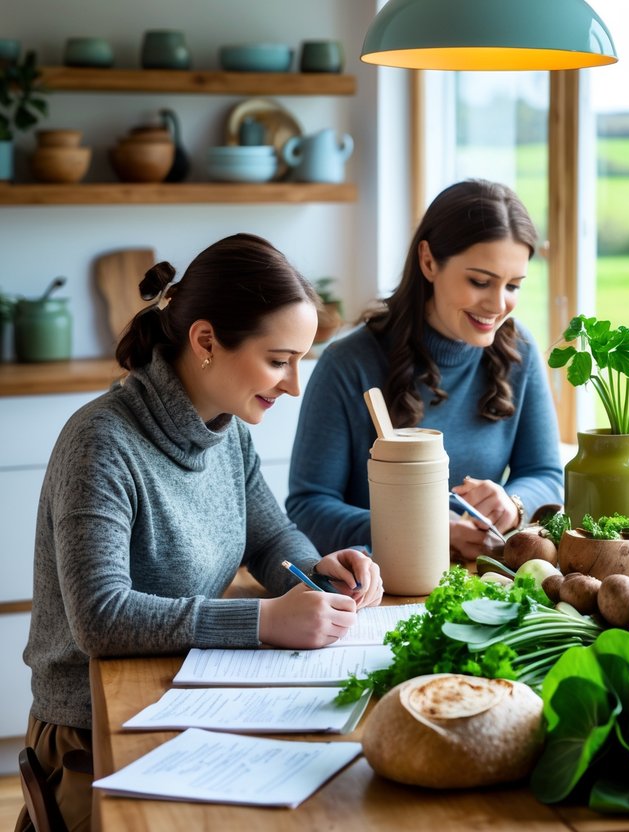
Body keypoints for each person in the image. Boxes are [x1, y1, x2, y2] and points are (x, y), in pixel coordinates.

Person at [19, 233, 383, 832]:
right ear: (206, 341)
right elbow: (100, 619)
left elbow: (270, 537)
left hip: (189, 693)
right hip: (89, 731)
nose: (293, 385)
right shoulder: (100, 443)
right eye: (279, 359)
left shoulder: (228, 429)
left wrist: (316, 568)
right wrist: (264, 622)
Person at [287, 179, 562, 561]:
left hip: (478, 582)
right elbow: (307, 508)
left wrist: (512, 504)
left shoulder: (521, 352)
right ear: (429, 261)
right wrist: (420, 529)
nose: (498, 304)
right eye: (480, 281)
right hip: (377, 589)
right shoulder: (347, 365)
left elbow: (547, 474)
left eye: (513, 285)